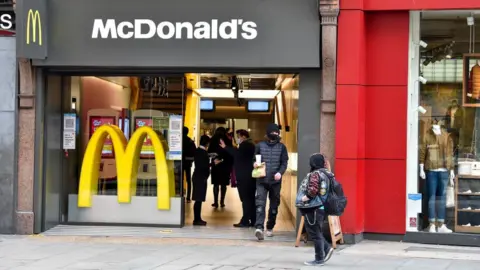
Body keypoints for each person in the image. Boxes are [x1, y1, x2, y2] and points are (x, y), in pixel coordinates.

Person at [253, 123, 289, 240]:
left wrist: (280, 172)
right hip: (261, 180)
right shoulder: (259, 146)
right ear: (267, 134)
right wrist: (254, 164)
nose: (274, 134)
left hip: (275, 182)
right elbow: (254, 159)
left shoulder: (282, 147)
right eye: (272, 132)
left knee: (274, 206)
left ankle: (270, 227)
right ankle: (259, 228)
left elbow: (284, 163)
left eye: (276, 132)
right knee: (260, 204)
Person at [298, 153, 334, 266]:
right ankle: (327, 249)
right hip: (321, 207)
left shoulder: (315, 174)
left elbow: (313, 190)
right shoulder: (327, 173)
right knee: (316, 231)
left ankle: (319, 259)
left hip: (313, 207)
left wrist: (306, 198)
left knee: (314, 233)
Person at [220, 129, 256, 227]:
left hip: (245, 177)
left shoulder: (246, 145)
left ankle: (245, 221)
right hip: (249, 176)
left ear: (243, 136)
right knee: (250, 199)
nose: (238, 139)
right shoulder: (250, 145)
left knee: (246, 199)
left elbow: (237, 154)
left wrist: (226, 147)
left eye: (239, 137)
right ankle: (253, 220)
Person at [208, 127, 233, 208]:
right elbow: (230, 152)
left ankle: (215, 202)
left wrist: (215, 158)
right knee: (223, 184)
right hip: (225, 165)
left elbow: (209, 152)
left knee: (216, 184)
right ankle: (222, 202)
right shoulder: (228, 140)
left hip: (216, 164)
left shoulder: (213, 140)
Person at [192, 135, 211, 226]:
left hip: (198, 176)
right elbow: (203, 166)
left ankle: (198, 218)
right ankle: (196, 219)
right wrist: (212, 164)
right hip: (200, 177)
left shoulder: (198, 151)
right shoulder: (203, 153)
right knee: (198, 199)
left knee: (198, 199)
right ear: (207, 143)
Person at [182, 126, 196, 203]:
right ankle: (188, 197)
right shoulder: (190, 141)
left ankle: (180, 195)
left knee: (180, 179)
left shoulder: (179, 140)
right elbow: (194, 152)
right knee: (188, 179)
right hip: (188, 162)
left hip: (180, 162)